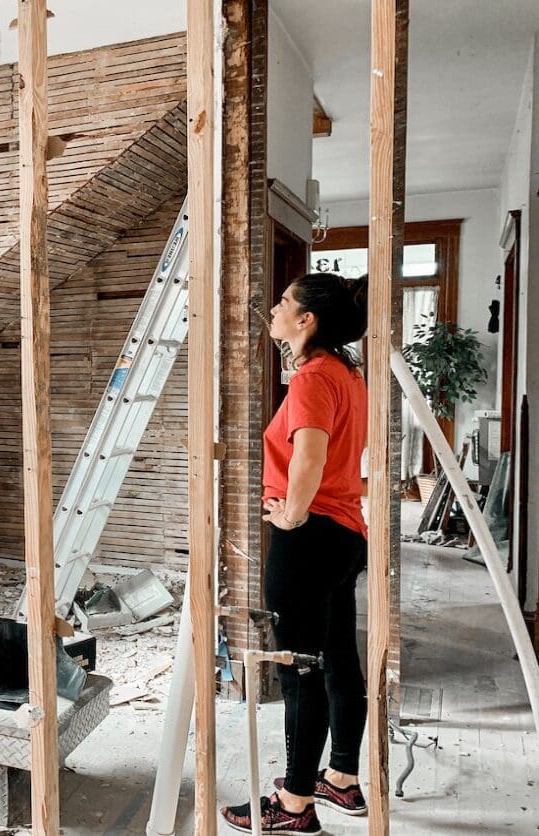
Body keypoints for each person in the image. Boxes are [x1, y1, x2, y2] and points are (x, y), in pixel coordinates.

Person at [222, 273, 371, 835]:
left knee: (298, 671)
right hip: (345, 534)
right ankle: (342, 778)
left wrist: (291, 514)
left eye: (285, 302)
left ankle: (295, 805)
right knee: (337, 660)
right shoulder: (346, 372)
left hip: (308, 539)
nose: (275, 309)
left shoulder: (313, 377)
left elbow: (309, 457)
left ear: (306, 320)